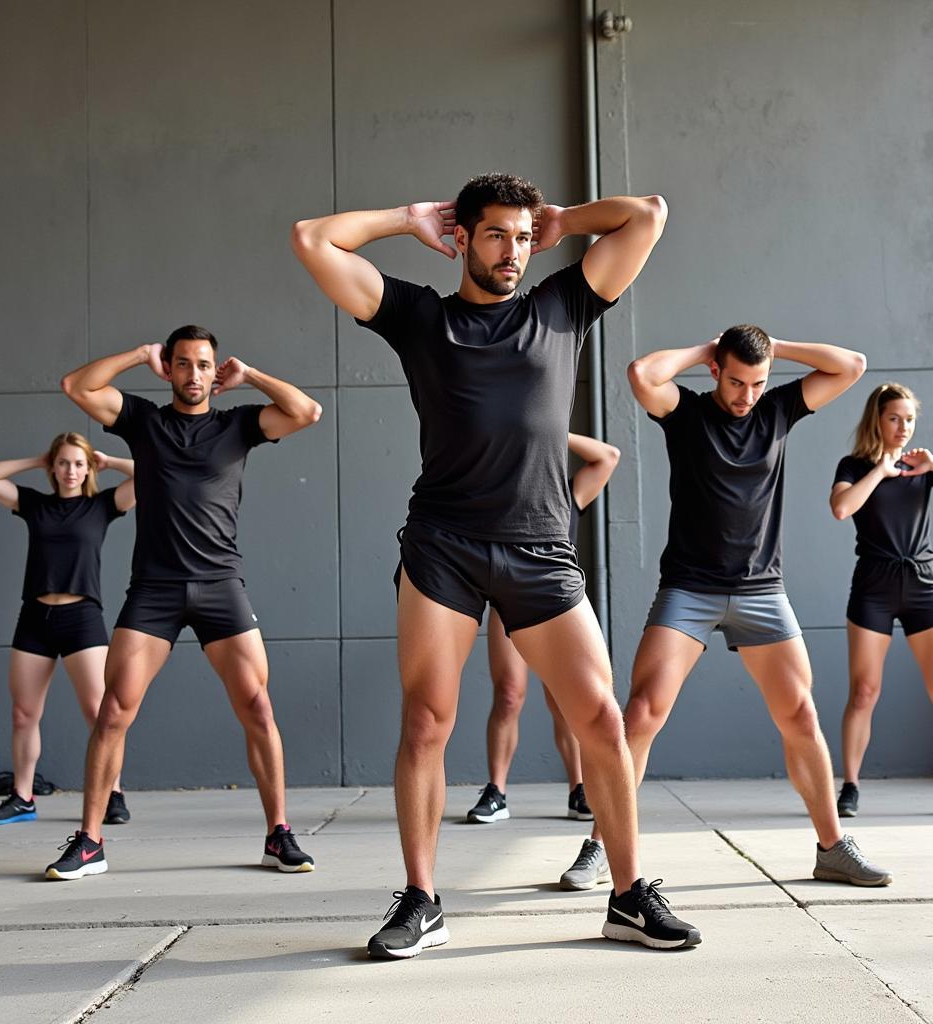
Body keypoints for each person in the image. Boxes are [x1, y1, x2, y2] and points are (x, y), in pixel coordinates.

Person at [294, 172, 702, 956]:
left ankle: (626, 896)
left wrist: (562, 222)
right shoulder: (418, 316)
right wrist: (405, 217)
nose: (512, 251)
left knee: (602, 719)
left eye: (521, 237)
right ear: (463, 238)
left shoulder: (562, 304)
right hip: (443, 546)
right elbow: (313, 238)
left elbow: (649, 213)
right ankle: (421, 900)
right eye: (496, 235)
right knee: (425, 722)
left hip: (540, 547)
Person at [616, 325, 893, 891]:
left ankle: (832, 847)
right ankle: (601, 842)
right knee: (642, 713)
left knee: (800, 715)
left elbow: (853, 362)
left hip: (761, 591)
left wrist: (777, 347)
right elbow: (642, 374)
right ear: (716, 371)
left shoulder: (778, 410)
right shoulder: (686, 413)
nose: (747, 395)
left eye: (758, 383)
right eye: (737, 381)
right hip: (689, 589)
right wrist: (707, 346)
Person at [44, 326, 322, 880]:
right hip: (155, 589)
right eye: (183, 364)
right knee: (114, 710)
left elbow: (306, 411)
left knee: (258, 708)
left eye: (203, 365)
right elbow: (77, 385)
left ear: (214, 373)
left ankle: (278, 834)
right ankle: (91, 841)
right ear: (168, 369)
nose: (193, 374)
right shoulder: (145, 422)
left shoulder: (238, 424)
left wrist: (252, 376)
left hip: (220, 584)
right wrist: (136, 355)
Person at [830, 382, 933, 819]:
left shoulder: (923, 468)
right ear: (877, 419)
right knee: (864, 692)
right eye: (894, 418)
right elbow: (841, 508)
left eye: (909, 419)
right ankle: (851, 787)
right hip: (873, 589)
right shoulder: (854, 465)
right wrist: (881, 469)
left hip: (921, 585)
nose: (903, 427)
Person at [0, 435, 135, 826]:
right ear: (53, 467)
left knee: (101, 714)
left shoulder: (101, 506)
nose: (70, 471)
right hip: (35, 618)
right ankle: (23, 797)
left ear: (88, 469)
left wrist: (110, 461)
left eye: (78, 464)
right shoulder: (35, 505)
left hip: (82, 618)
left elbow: (156, 474)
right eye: (62, 463)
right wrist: (36, 458)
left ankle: (111, 793)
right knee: (23, 713)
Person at [466, 432, 620, 825]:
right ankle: (496, 791)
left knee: (566, 702)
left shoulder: (569, 496)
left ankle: (579, 789)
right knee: (509, 695)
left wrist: (549, 429)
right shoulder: (501, 497)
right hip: (507, 604)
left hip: (554, 605)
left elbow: (608, 456)